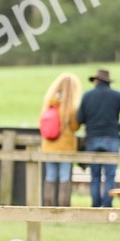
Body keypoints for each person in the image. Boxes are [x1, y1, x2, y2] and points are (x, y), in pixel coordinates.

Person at [76, 68, 120, 207]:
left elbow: (79, 118)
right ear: (108, 82)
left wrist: (91, 126)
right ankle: (107, 206)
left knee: (95, 176)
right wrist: (118, 127)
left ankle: (95, 206)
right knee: (110, 176)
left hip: (92, 138)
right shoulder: (117, 96)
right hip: (111, 138)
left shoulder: (87, 96)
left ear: (96, 80)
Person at [39, 73, 81, 206]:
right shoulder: (70, 108)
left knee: (50, 176)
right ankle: (64, 206)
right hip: (65, 148)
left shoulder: (49, 104)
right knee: (64, 177)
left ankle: (48, 205)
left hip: (48, 147)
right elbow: (75, 126)